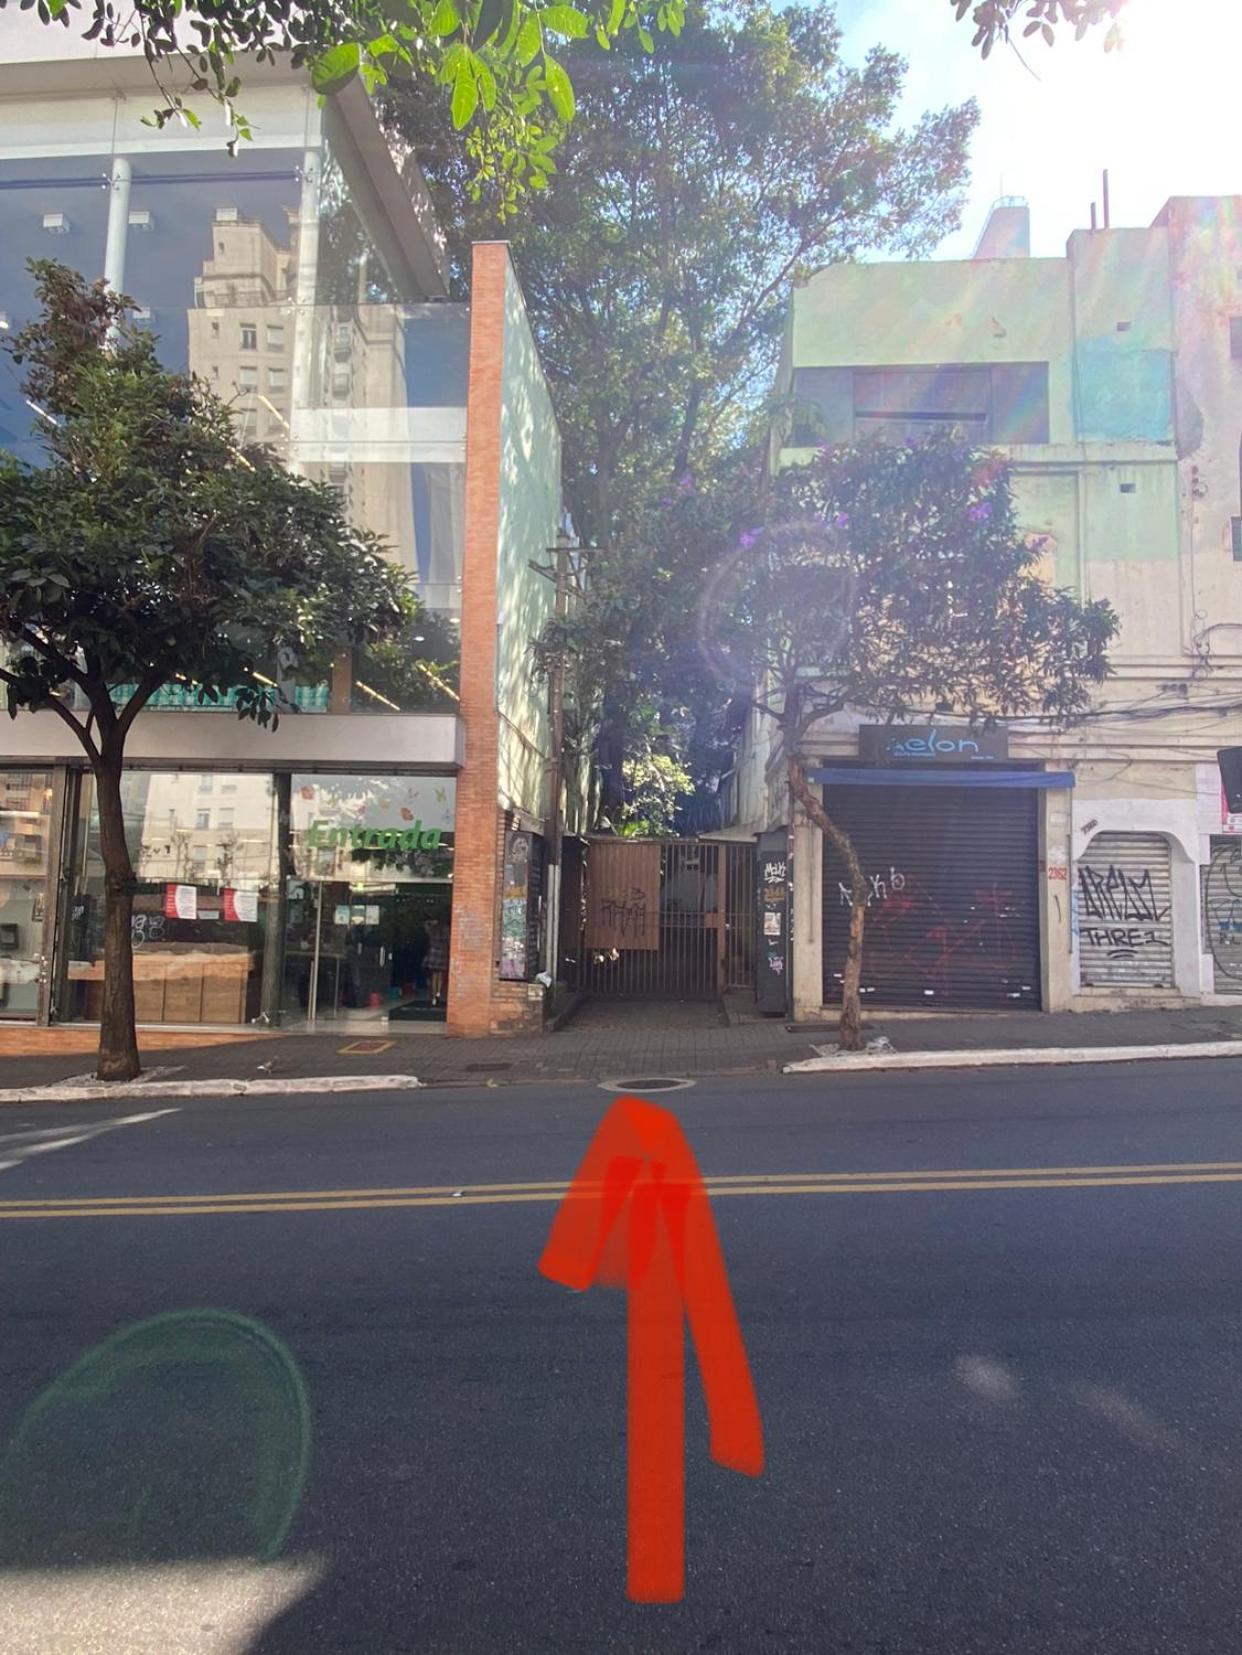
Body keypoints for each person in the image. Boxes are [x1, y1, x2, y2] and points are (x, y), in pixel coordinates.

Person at [424, 916, 450, 1007]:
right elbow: (448, 940)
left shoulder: (432, 929)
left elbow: (425, 925)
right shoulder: (445, 929)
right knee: (440, 975)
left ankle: (434, 995)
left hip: (434, 953)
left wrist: (431, 922)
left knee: (434, 975)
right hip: (442, 953)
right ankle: (438, 992)